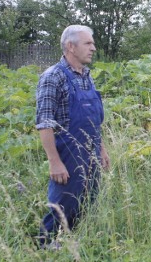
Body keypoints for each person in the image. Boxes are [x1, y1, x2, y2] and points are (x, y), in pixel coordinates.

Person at [35, 25, 110, 246]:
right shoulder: (52, 77)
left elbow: (94, 120)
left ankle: (71, 251)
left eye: (92, 43)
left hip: (92, 153)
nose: (93, 48)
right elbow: (44, 123)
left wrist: (102, 149)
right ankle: (43, 254)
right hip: (67, 156)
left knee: (86, 205)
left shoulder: (87, 76)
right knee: (61, 208)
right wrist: (54, 161)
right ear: (70, 46)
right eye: (88, 43)